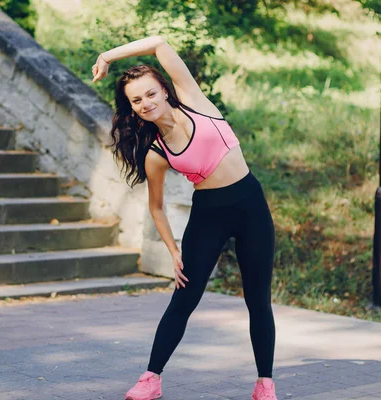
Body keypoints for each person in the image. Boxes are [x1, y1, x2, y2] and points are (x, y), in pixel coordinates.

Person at [91, 35, 278, 400]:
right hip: (209, 216)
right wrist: (173, 250)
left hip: (251, 206)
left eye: (150, 93)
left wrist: (108, 55)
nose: (145, 103)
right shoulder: (156, 153)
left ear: (165, 90)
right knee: (184, 298)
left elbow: (159, 42)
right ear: (131, 108)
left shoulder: (194, 100)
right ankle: (151, 379)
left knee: (258, 299)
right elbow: (156, 207)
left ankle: (264, 384)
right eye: (136, 100)